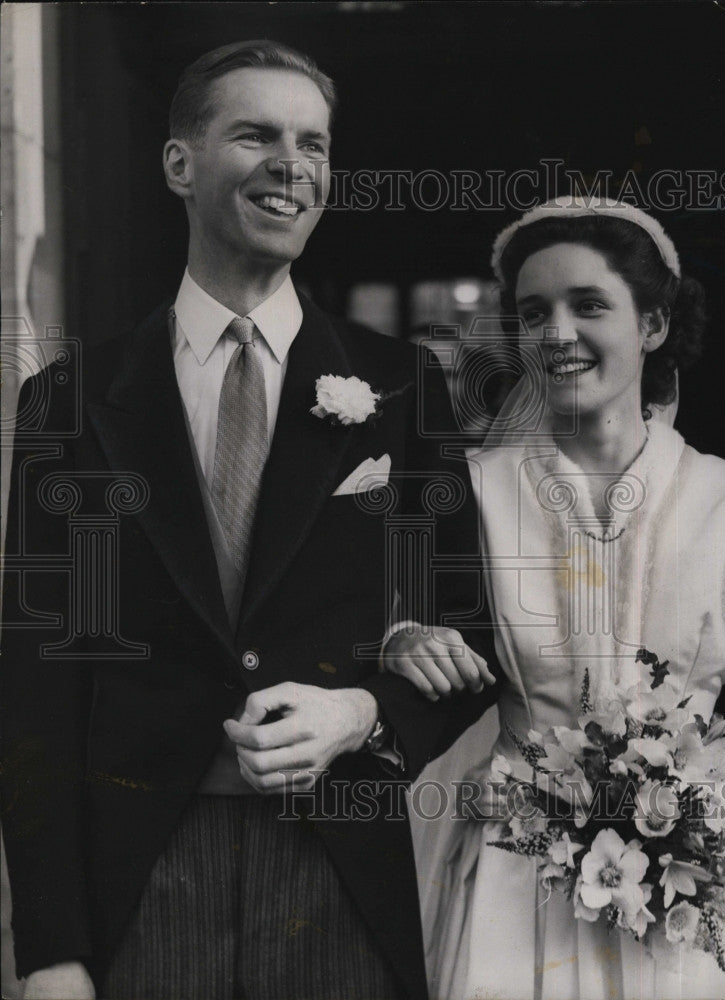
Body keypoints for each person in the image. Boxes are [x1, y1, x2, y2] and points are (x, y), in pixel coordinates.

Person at [0, 40, 498, 1000]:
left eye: (313, 144)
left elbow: (467, 632)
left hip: (339, 875)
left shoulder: (400, 386)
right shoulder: (72, 399)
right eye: (256, 135)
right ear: (179, 163)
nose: (292, 164)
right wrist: (51, 947)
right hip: (140, 882)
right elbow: (35, 688)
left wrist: (361, 713)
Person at [386, 198, 725, 999]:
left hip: (687, 895)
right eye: (534, 313)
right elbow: (397, 641)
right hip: (512, 883)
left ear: (655, 325)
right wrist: (399, 636)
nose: (556, 334)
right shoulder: (468, 494)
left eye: (589, 305)